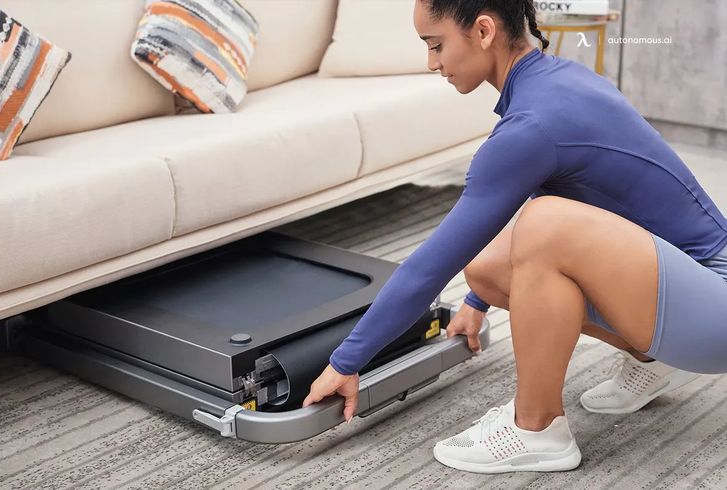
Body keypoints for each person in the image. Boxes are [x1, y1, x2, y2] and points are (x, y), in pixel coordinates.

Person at [302, 0, 727, 474]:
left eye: (436, 45)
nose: (432, 63)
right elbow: (569, 195)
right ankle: (650, 359)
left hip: (716, 313)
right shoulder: (555, 81)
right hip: (690, 291)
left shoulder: (532, 125)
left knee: (544, 224)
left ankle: (537, 429)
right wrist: (478, 301)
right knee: (485, 269)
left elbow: (428, 267)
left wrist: (346, 362)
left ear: (483, 30)